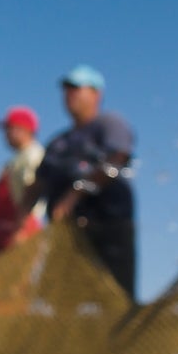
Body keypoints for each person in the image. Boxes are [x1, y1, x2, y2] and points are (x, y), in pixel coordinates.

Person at [28, 64, 137, 300]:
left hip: (108, 230)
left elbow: (117, 160)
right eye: (67, 90)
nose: (70, 95)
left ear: (97, 94)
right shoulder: (57, 142)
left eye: (77, 89)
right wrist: (17, 220)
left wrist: (74, 194)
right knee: (64, 302)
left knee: (112, 298)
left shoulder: (109, 124)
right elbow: (38, 184)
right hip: (66, 237)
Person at [0, 105, 45, 259]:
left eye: (8, 129)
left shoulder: (32, 156)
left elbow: (32, 192)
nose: (5, 135)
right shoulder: (15, 161)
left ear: (22, 129)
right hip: (4, 233)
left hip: (21, 230)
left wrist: (21, 230)